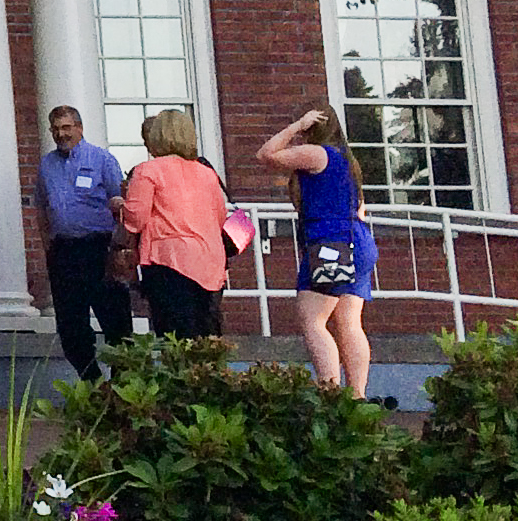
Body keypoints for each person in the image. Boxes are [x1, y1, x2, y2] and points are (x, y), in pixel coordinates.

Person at [257, 103, 375, 396]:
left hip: (329, 244)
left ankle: (330, 393)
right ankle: (358, 397)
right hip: (357, 241)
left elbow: (266, 154)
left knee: (313, 320)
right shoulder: (347, 160)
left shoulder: (317, 153)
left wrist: (296, 126)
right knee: (349, 322)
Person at [31, 103, 130, 381]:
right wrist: (47, 245)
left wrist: (120, 249)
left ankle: (123, 388)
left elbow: (122, 207)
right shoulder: (47, 165)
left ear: (80, 128)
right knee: (71, 326)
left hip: (99, 249)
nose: (61, 134)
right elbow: (40, 207)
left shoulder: (102, 160)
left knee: (115, 322)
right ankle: (94, 385)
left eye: (66, 127)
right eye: (56, 129)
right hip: (64, 252)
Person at [118, 106, 229, 338]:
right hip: (210, 261)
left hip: (168, 261)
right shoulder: (207, 173)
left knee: (174, 337)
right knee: (205, 334)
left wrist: (118, 206)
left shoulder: (147, 171)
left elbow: (135, 220)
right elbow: (219, 218)